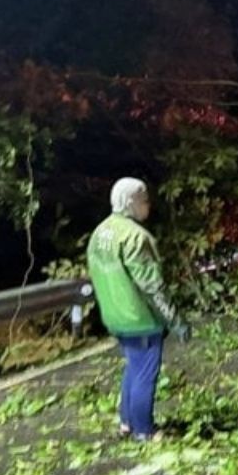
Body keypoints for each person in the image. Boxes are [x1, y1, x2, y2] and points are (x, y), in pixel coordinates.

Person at [86, 178, 190, 442]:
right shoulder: (135, 237)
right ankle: (144, 430)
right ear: (131, 202)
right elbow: (153, 287)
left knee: (133, 367)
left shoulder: (101, 232)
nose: (148, 206)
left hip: (114, 315)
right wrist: (176, 321)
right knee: (145, 373)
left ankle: (126, 422)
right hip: (139, 317)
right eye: (144, 201)